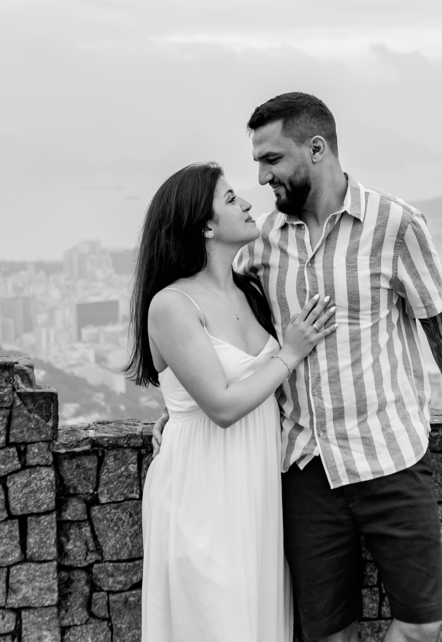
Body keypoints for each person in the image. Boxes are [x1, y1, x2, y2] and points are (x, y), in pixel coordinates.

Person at [156, 92, 442, 642]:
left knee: (423, 625)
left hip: (389, 454)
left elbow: (438, 320)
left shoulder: (395, 224)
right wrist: (180, 408)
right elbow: (212, 320)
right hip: (305, 467)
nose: (261, 176)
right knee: (327, 635)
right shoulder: (262, 242)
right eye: (256, 162)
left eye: (271, 159)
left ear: (316, 149)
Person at [130, 162, 338, 642]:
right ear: (204, 225)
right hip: (202, 493)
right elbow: (221, 406)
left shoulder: (249, 289)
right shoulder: (171, 304)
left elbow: (235, 381)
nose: (247, 202)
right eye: (229, 199)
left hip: (257, 495)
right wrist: (289, 351)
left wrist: (175, 407)